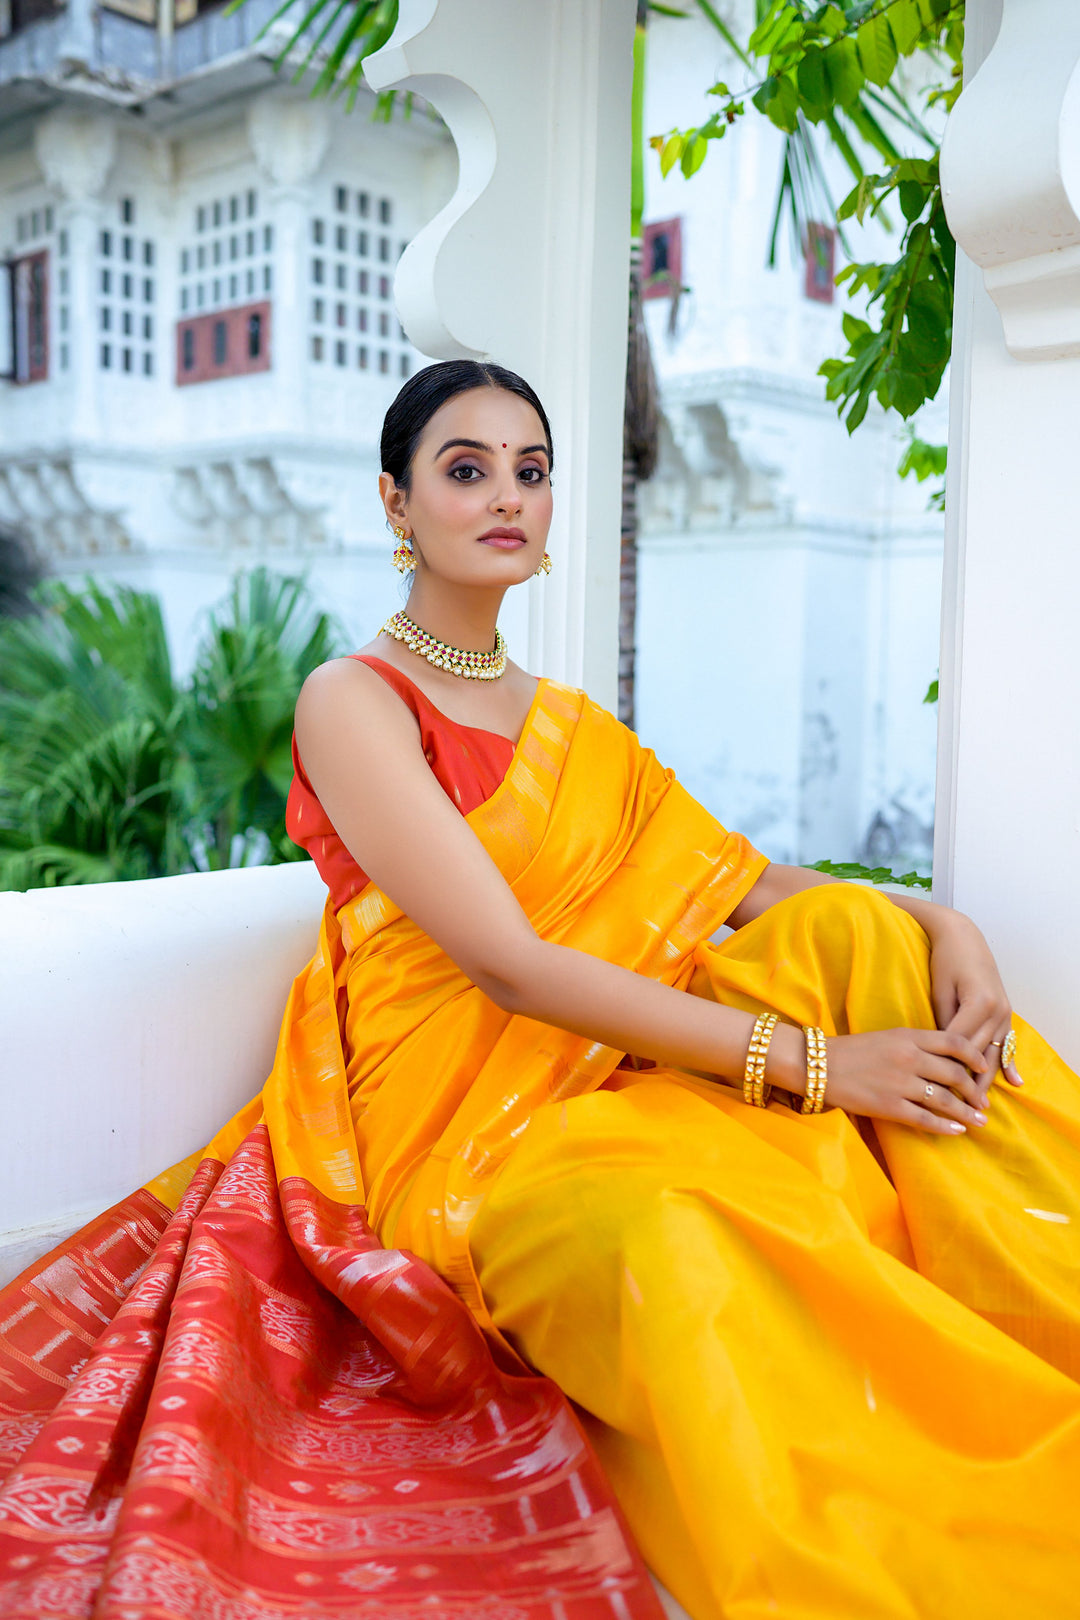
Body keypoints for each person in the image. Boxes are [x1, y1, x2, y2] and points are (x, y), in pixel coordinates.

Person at [2, 361, 1079, 1620]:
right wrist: (825, 1070)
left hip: (607, 1069)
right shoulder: (356, 702)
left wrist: (943, 922)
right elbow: (510, 963)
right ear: (399, 504)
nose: (507, 495)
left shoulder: (573, 728)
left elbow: (745, 885)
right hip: (461, 1129)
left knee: (856, 932)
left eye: (532, 470)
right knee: (675, 1226)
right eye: (466, 469)